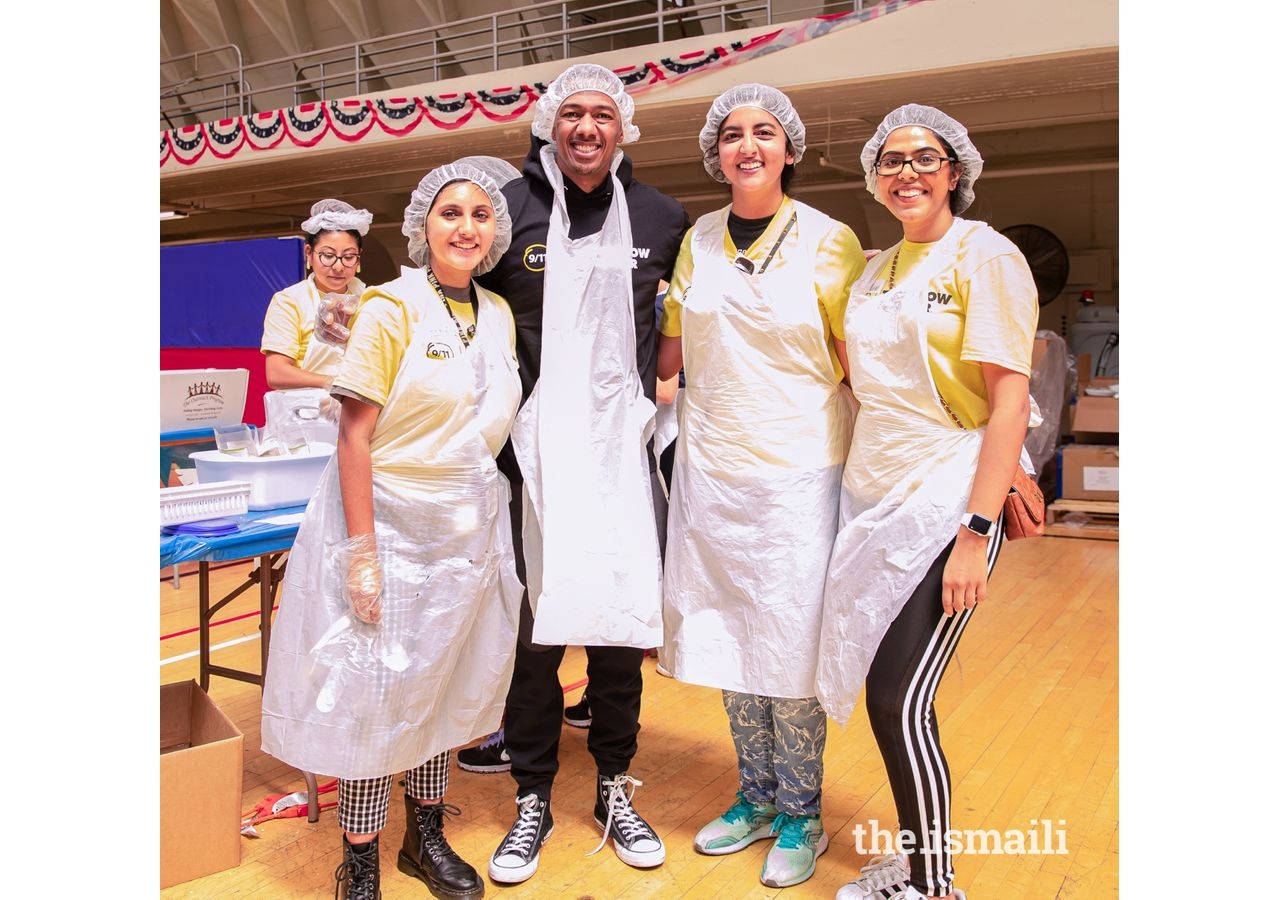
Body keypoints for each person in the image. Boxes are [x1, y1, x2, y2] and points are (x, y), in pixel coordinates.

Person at [259, 158, 525, 900]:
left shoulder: (498, 313)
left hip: (464, 534)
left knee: (444, 688)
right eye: (450, 213)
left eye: (480, 214)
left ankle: (426, 838)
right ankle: (362, 860)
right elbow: (354, 437)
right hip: (389, 524)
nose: (466, 226)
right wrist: (362, 555)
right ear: (421, 227)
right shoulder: (390, 305)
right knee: (375, 698)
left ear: (494, 229)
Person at [474, 62, 690, 885]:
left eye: (603, 114)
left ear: (623, 126)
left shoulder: (664, 217)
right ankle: (532, 791)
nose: (587, 128)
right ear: (547, 127)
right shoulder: (510, 213)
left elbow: (681, 330)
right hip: (530, 462)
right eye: (572, 115)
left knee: (617, 630)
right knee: (536, 633)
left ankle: (612, 783)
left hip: (619, 457)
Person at [816, 105, 1039, 900]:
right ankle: (913, 863)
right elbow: (853, 377)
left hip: (950, 500)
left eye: (925, 158)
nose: (906, 171)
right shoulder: (874, 271)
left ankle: (933, 886)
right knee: (888, 693)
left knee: (899, 697)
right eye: (892, 160)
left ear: (955, 173)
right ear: (877, 177)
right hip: (876, 494)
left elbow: (1008, 401)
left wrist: (978, 530)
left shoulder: (988, 257)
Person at [656, 84, 866, 889]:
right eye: (734, 134)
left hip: (799, 472)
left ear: (789, 149)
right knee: (728, 638)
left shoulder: (830, 240)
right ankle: (754, 797)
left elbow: (857, 362)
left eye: (765, 133)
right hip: (712, 470)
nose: (748, 145)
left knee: (789, 644)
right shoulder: (698, 238)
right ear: (717, 150)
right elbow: (672, 353)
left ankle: (802, 812)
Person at [260, 198, 372, 390]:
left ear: (359, 257)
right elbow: (276, 373)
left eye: (348, 257)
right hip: (305, 411)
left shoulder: (372, 299)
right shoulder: (290, 301)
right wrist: (333, 384)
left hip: (361, 404)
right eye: (328, 256)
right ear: (309, 253)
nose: (338, 266)